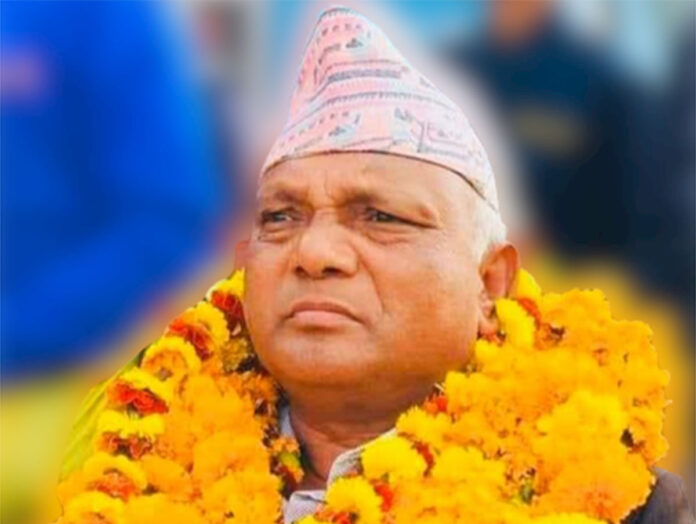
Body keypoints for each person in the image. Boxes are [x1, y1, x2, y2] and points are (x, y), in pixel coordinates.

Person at [236, 6, 693, 524]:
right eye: (279, 217)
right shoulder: (157, 456)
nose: (315, 252)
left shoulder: (619, 501)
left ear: (489, 284)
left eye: (381, 216)